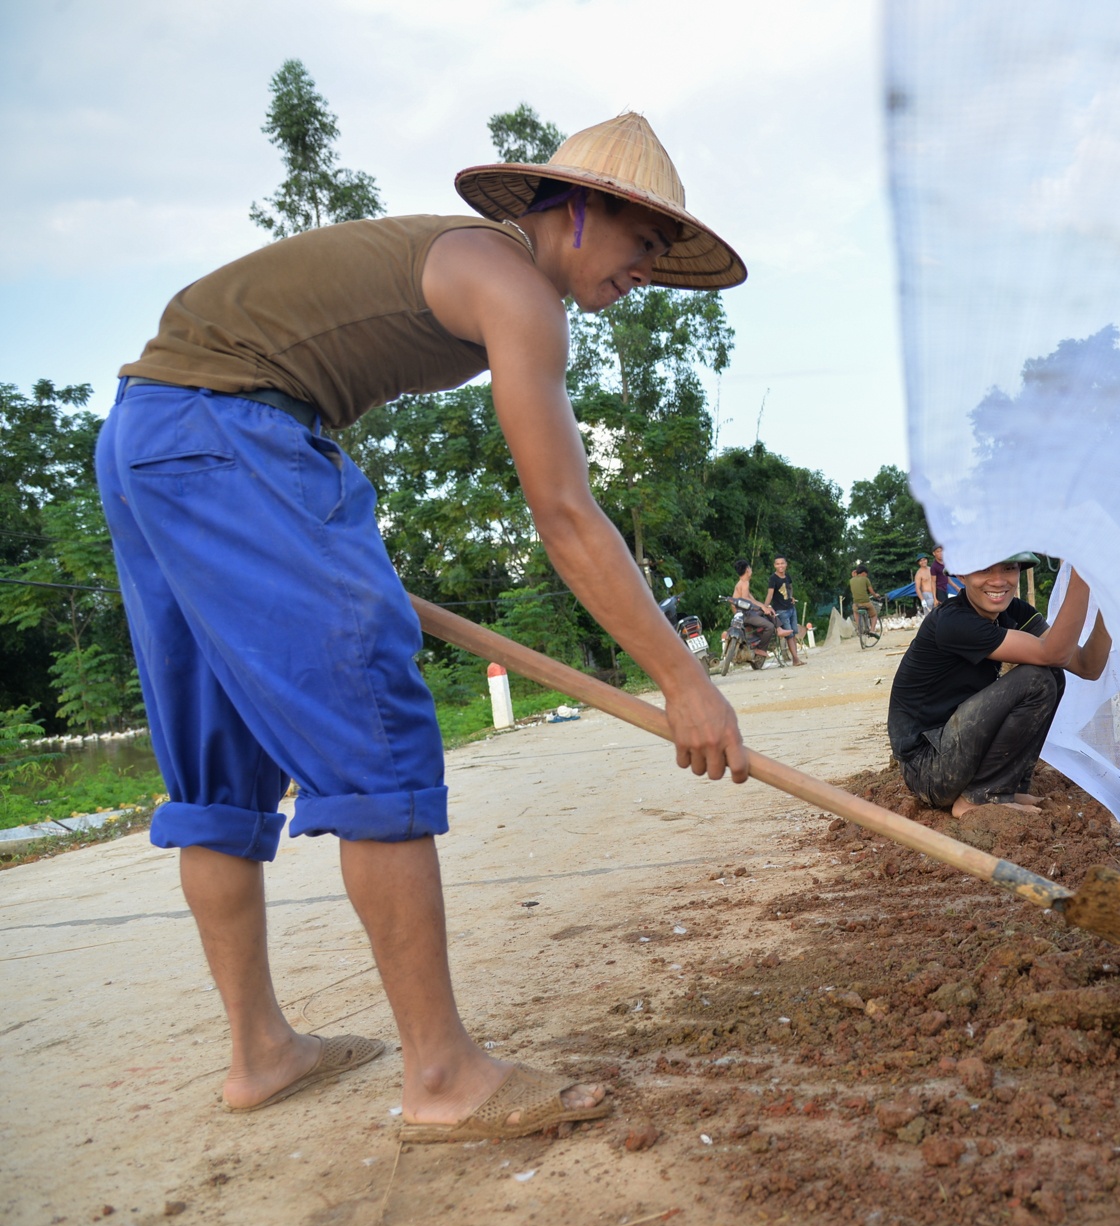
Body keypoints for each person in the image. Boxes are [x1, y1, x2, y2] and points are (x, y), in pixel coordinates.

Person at [96, 113, 750, 1142]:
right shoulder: (519, 288)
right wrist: (683, 676)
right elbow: (567, 514)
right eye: (643, 245)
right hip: (232, 431)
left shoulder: (468, 261)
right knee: (375, 717)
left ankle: (260, 1052)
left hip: (148, 433)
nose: (648, 273)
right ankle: (442, 1072)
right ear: (575, 212)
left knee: (219, 754)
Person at [888, 555, 1111, 816]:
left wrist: (1110, 604)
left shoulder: (1013, 612)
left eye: (1008, 568)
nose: (998, 581)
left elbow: (1087, 666)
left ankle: (1005, 786)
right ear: (962, 575)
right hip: (929, 768)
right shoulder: (953, 621)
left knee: (1052, 675)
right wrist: (1082, 576)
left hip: (957, 750)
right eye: (983, 569)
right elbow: (1055, 653)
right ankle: (980, 796)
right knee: (1035, 680)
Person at [730, 558, 779, 655]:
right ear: (748, 569)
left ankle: (779, 629)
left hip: (745, 613)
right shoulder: (744, 583)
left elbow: (753, 601)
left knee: (768, 610)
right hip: (745, 614)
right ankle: (761, 648)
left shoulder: (741, 583)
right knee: (769, 626)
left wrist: (765, 607)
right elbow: (746, 599)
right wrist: (764, 607)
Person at [762, 554, 805, 665]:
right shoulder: (773, 578)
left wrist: (791, 597)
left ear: (786, 564)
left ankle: (796, 658)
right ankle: (795, 659)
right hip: (781, 610)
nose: (780, 565)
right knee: (789, 635)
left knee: (793, 633)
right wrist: (765, 606)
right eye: (777, 564)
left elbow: (790, 587)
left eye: (782, 563)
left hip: (791, 608)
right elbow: (770, 594)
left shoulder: (787, 576)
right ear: (774, 565)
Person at [848, 562, 880, 634]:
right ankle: (872, 630)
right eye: (866, 574)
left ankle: (859, 628)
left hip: (856, 603)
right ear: (863, 573)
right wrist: (876, 595)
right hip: (866, 602)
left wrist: (853, 576)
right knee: (874, 615)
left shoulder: (851, 580)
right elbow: (871, 591)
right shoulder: (865, 579)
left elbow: (856, 585)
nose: (866, 575)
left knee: (855, 612)